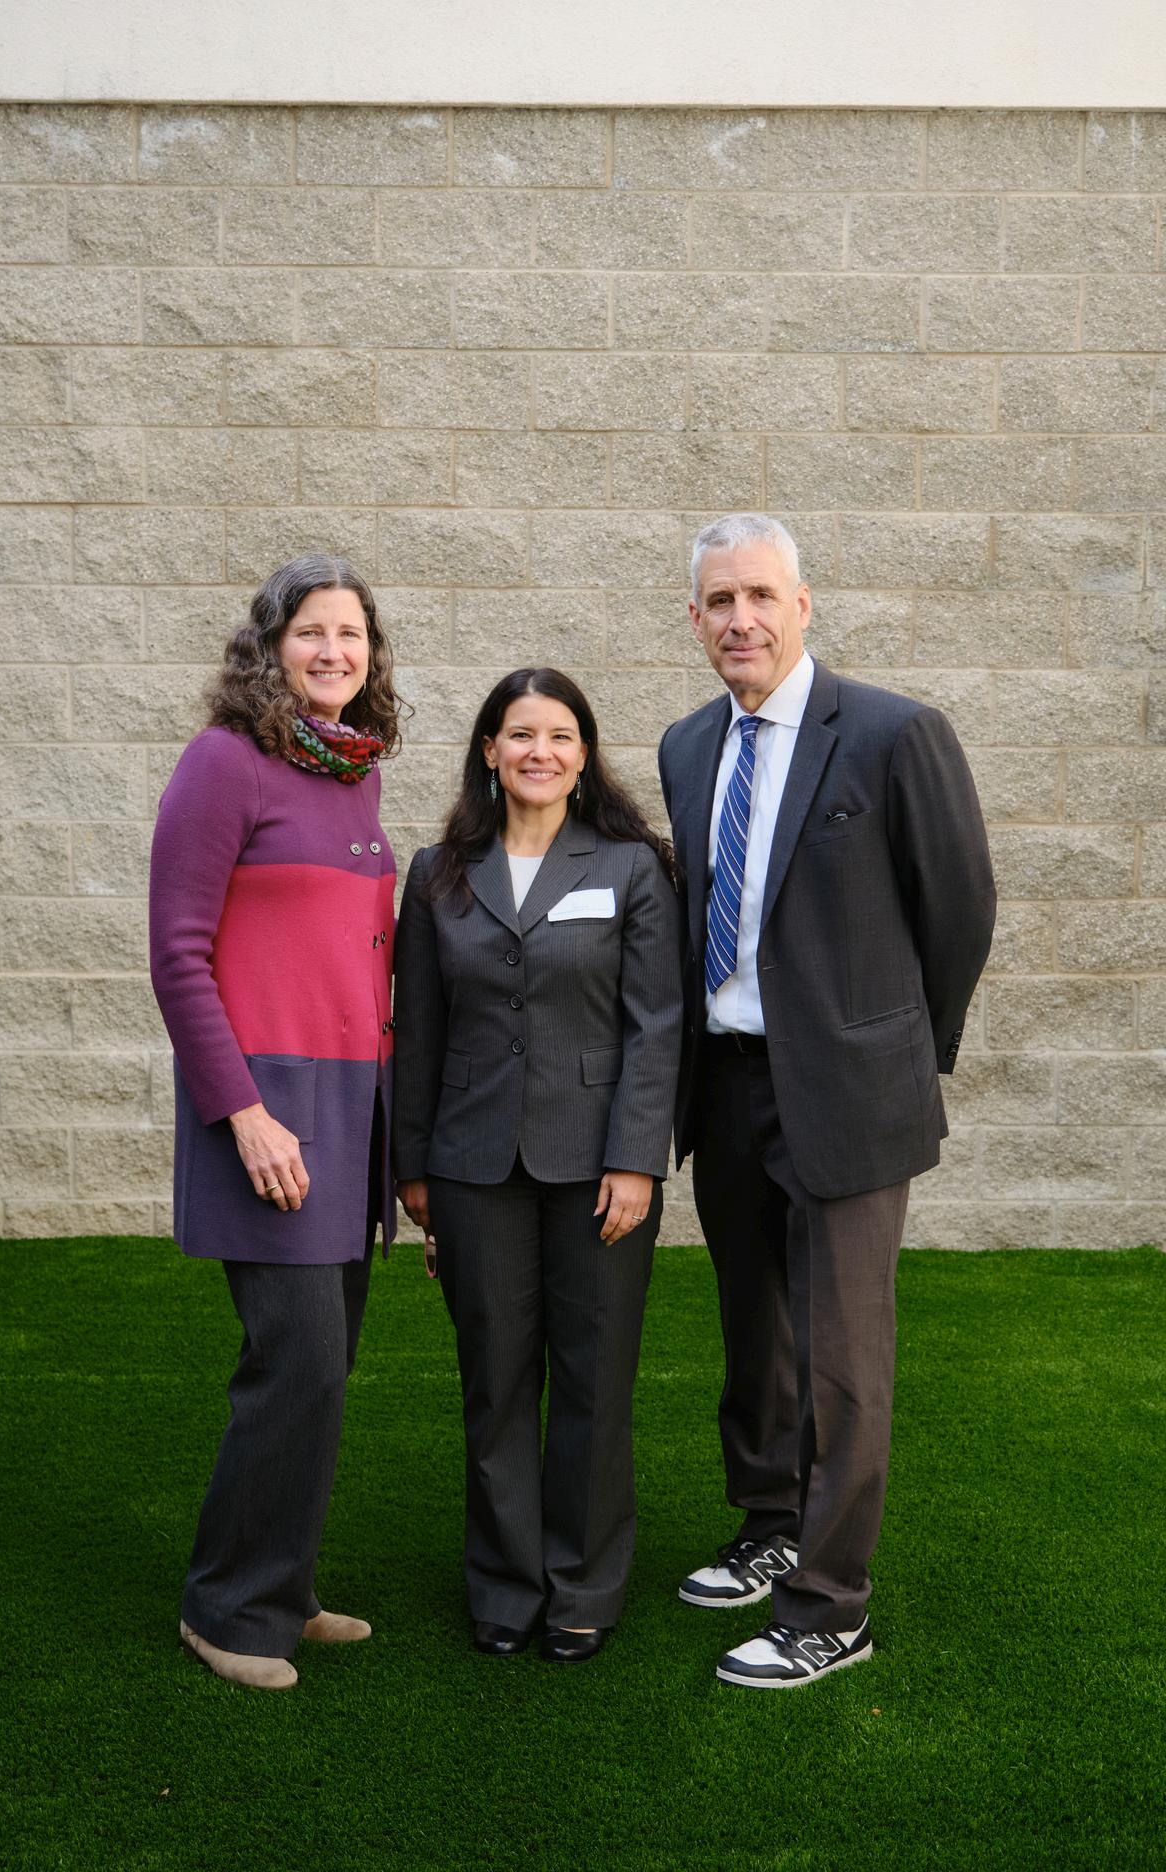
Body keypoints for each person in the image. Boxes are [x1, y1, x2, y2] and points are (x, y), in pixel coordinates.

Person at [659, 513, 995, 1689]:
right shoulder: (687, 746)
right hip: (728, 1081)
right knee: (756, 1331)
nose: (740, 618)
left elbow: (959, 910)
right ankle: (770, 1525)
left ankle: (831, 1604)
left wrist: (902, 1055)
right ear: (694, 620)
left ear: (803, 605)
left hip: (851, 1091)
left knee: (845, 1356)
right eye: (719, 601)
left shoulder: (896, 734)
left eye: (761, 595)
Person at [149, 551, 403, 1691]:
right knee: (294, 1362)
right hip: (267, 1114)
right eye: (312, 632)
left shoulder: (354, 771)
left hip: (349, 1113)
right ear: (270, 644)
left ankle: (284, 1587)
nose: (334, 651)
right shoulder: (222, 762)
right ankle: (227, 1611)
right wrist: (244, 1114)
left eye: (352, 634)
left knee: (324, 1366)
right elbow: (178, 954)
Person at [393, 668, 682, 1663]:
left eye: (560, 735)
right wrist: (414, 1170)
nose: (540, 752)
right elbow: (418, 1030)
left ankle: (582, 1587)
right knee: (496, 1380)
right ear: (490, 750)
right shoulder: (438, 873)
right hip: (471, 1166)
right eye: (521, 734)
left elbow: (657, 1025)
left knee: (594, 1380)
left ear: (584, 754)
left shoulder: (632, 868)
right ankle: (505, 1586)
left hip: (599, 1165)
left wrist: (637, 1159)